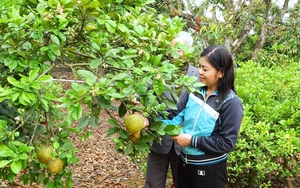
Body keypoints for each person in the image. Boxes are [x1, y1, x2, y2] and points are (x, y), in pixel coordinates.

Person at [144, 45, 244, 188]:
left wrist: (192, 141)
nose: (199, 72)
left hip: (210, 169)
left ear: (221, 72)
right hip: (184, 164)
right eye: (199, 67)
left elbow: (227, 143)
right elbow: (173, 115)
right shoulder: (195, 92)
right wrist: (148, 121)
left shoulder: (231, 103)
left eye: (205, 69)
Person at [144, 31, 199, 188]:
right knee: (153, 184)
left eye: (179, 49)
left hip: (185, 141)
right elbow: (145, 94)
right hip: (159, 137)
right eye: (170, 48)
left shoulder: (198, 75)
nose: (172, 52)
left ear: (188, 51)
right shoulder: (158, 72)